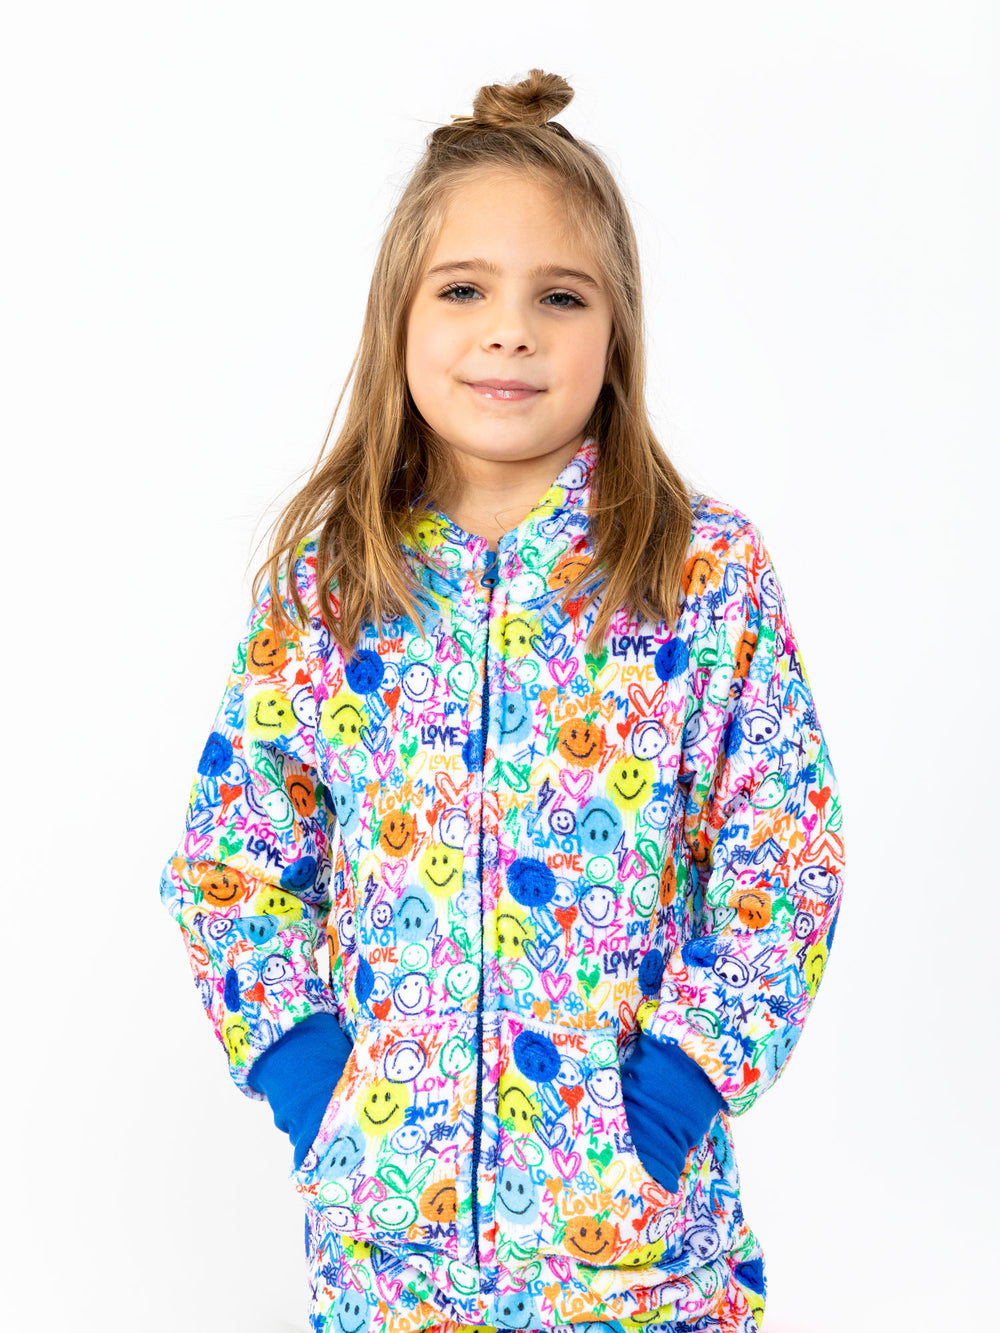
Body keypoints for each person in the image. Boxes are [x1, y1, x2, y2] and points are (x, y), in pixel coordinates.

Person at [161, 69, 843, 1333]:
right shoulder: (333, 582)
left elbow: (782, 856)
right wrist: (318, 1090)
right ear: (398, 318)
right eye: (464, 289)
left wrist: (669, 1100)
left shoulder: (700, 576)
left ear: (616, 330)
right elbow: (232, 860)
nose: (511, 331)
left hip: (638, 1249)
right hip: (391, 1254)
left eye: (560, 296)